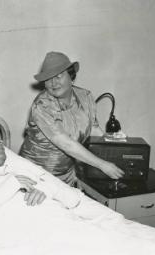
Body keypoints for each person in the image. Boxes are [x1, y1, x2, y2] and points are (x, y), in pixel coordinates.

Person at [19, 51, 124, 186]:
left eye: (58, 76)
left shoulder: (85, 97)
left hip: (67, 174)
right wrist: (103, 165)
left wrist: (116, 151)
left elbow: (93, 129)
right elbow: (66, 144)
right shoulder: (42, 105)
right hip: (35, 175)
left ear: (71, 77)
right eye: (48, 78)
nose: (53, 83)